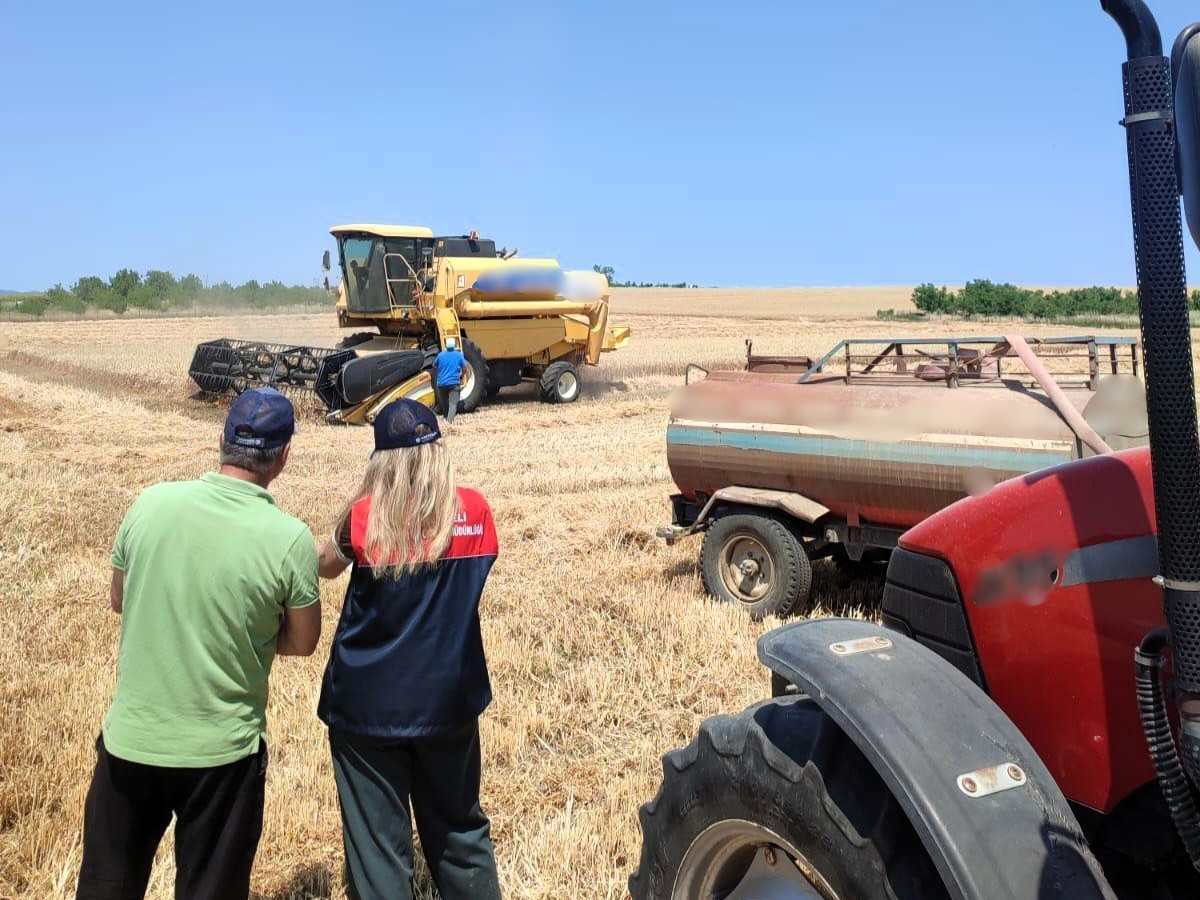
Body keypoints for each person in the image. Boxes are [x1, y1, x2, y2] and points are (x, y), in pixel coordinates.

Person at [76, 387, 321, 900]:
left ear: (222, 438)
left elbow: (121, 599)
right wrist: (244, 630)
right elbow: (302, 643)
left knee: (107, 887)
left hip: (131, 745)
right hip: (223, 757)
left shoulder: (149, 503)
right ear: (284, 455)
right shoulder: (289, 538)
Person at [316, 398, 502, 900]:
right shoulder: (476, 510)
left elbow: (323, 567)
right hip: (449, 699)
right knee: (461, 830)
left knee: (379, 849)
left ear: (381, 462)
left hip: (367, 707)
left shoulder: (363, 519)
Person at [434, 337, 469, 422]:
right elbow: (465, 367)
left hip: (441, 384)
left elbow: (434, 366)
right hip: (454, 384)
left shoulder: (440, 355)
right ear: (454, 345)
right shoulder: (458, 355)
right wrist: (461, 374)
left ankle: (446, 418)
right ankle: (449, 422)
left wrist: (441, 372)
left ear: (446, 345)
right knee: (453, 404)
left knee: (444, 403)